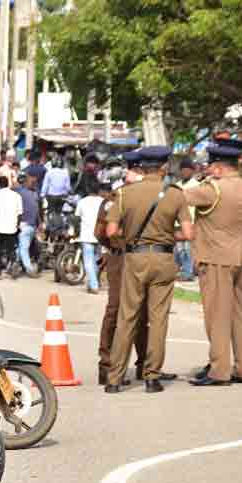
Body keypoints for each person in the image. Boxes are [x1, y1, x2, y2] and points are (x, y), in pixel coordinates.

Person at [103, 146, 192, 394]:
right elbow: (188, 233)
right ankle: (152, 377)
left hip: (135, 257)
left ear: (142, 168)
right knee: (158, 319)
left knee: (127, 317)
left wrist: (130, 238)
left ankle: (114, 378)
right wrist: (166, 237)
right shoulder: (175, 194)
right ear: (164, 167)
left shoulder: (125, 194)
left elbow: (111, 232)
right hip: (163, 259)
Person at [183, 139, 242, 385]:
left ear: (218, 168)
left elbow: (177, 199)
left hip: (217, 258)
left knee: (218, 316)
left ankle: (219, 371)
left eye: (210, 166)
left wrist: (197, 180)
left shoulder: (212, 189)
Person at [97, 151, 149, 385]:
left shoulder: (145, 196)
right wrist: (118, 246)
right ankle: (107, 365)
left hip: (138, 258)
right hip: (121, 259)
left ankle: (144, 365)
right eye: (138, 171)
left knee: (142, 311)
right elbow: (100, 233)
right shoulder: (114, 199)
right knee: (116, 310)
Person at [76, 183, 108, 294]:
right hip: (99, 235)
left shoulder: (82, 201)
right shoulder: (103, 201)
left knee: (88, 261)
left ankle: (94, 285)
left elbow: (77, 217)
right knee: (96, 260)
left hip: (86, 235)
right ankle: (92, 283)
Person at [0, 176, 22, 278]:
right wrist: (17, 224)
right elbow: (20, 213)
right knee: (11, 250)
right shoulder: (16, 196)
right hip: (12, 228)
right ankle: (13, 270)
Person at [173, 158, 200, 281]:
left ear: (192, 171)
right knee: (179, 248)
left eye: (187, 170)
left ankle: (188, 273)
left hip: (192, 221)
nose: (184, 172)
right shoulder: (176, 185)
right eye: (182, 170)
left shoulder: (197, 185)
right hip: (177, 221)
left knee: (188, 248)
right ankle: (180, 270)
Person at [14, 173, 41, 276]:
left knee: (22, 247)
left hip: (25, 225)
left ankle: (21, 266)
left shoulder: (20, 192)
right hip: (30, 225)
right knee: (23, 247)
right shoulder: (35, 194)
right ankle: (21, 266)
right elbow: (38, 211)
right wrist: (40, 223)